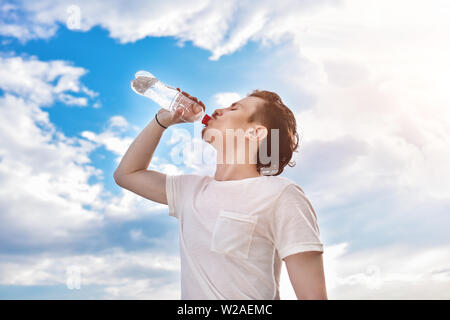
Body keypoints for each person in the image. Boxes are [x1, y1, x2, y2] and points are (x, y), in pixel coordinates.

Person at [113, 88, 327, 300]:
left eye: (234, 108)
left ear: (255, 133)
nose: (217, 110)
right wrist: (162, 121)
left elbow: (313, 297)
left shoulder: (281, 195)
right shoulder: (190, 191)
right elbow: (127, 174)